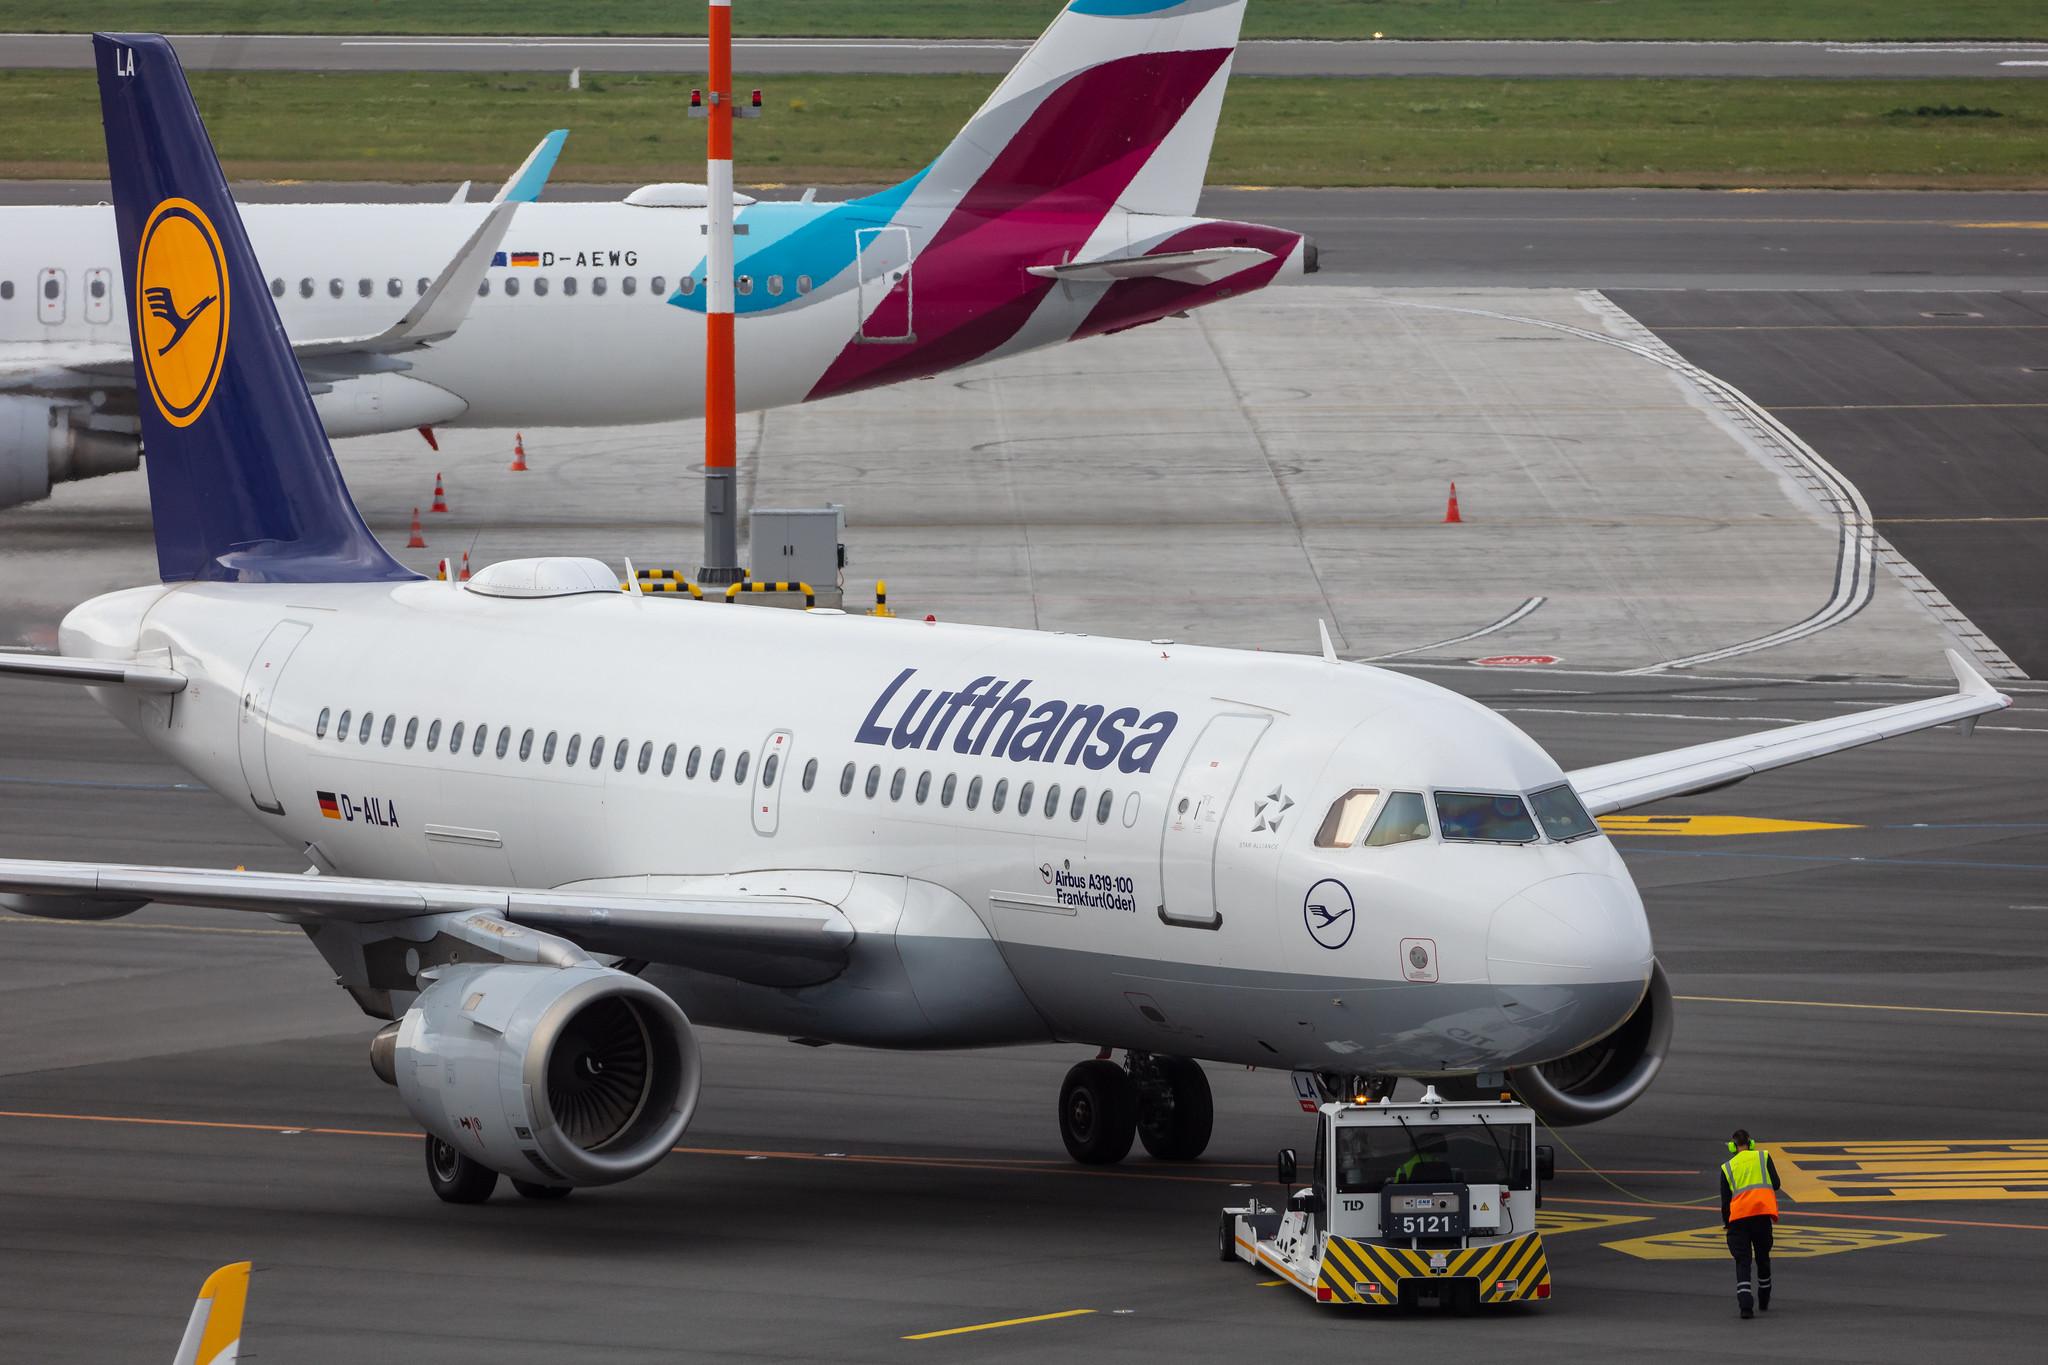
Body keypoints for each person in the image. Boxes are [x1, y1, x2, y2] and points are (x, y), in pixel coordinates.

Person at [1719, 1129, 1782, 1318]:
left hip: (1738, 1220)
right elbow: (1776, 1184)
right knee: (1763, 1257)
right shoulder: (1763, 1157)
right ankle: (1764, 1299)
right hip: (1761, 1216)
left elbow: (1724, 1202)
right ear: (1751, 1143)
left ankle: (1745, 1306)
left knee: (1743, 1261)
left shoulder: (1727, 1167)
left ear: (1732, 1147)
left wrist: (1727, 1224)